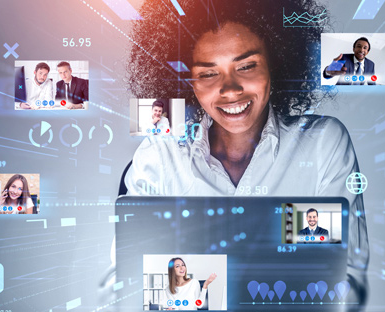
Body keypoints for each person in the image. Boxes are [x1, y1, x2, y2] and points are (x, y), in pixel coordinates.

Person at [124, 0, 368, 305]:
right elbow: (130, 283)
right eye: (208, 74)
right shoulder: (160, 155)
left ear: (275, 63)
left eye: (247, 66)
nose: (230, 88)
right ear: (188, 83)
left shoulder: (323, 144)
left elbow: (347, 277)